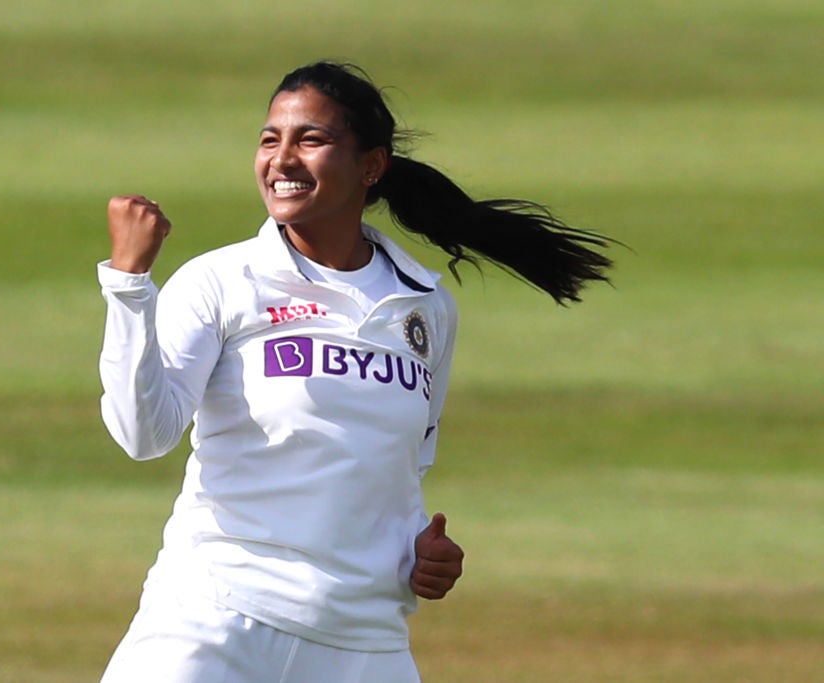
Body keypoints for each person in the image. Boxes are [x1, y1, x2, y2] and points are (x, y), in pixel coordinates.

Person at [96, 61, 612, 683]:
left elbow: (397, 468)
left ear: (371, 165)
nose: (281, 159)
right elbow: (142, 434)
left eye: (310, 140)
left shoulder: (424, 304)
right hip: (216, 623)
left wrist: (419, 551)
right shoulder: (223, 282)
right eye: (269, 139)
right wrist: (129, 285)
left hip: (363, 645)